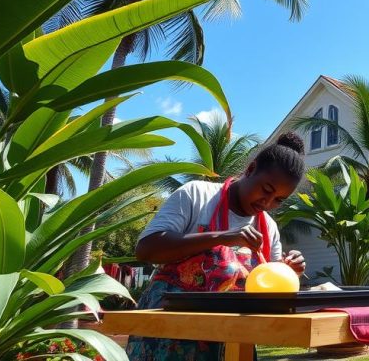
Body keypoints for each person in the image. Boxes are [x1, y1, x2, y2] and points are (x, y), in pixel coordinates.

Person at [126, 132, 308, 361]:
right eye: (266, 190)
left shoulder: (268, 227)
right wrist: (221, 237)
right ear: (250, 169)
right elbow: (147, 249)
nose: (268, 203)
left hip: (231, 342)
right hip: (166, 335)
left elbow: (268, 293)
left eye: (279, 200)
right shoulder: (196, 195)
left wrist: (288, 270)